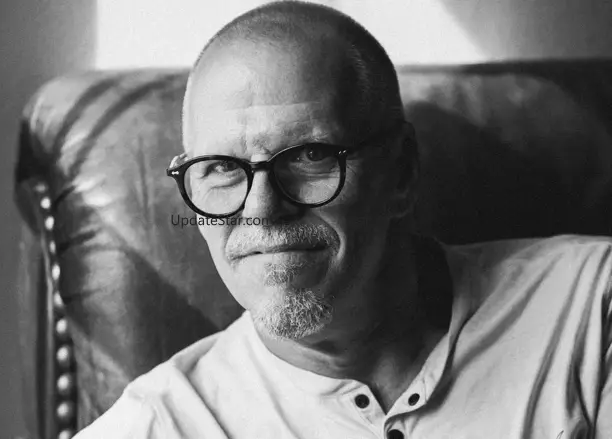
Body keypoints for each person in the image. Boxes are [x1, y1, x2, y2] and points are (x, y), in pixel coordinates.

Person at [74, 2, 612, 438]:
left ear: (401, 171)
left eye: (309, 156)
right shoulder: (156, 426)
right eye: (221, 168)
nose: (261, 209)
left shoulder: (589, 312)